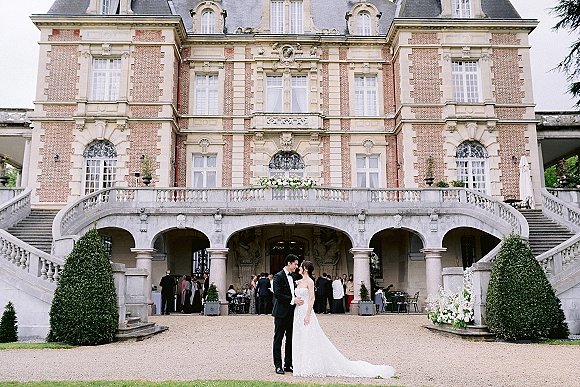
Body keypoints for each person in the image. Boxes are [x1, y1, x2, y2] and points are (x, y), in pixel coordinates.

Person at [292, 260, 396, 378]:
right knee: (300, 336)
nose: (298, 268)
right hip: (298, 312)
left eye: (300, 266)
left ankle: (311, 365)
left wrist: (307, 314)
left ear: (305, 269)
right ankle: (301, 364)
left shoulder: (310, 282)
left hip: (306, 311)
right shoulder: (299, 282)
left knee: (309, 336)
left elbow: (312, 299)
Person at [272, 254, 304, 375]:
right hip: (280, 313)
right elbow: (277, 294)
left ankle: (288, 364)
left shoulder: (294, 276)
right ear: (289, 263)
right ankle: (278, 365)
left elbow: (293, 292)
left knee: (290, 339)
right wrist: (293, 300)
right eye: (295, 264)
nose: (297, 266)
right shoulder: (278, 276)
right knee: (278, 339)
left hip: (292, 313)